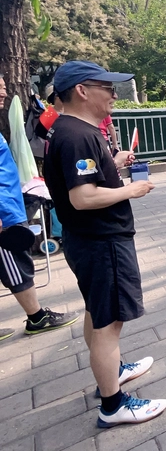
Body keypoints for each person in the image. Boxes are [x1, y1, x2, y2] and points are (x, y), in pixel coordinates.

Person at [42, 60, 166, 428]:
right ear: (82, 90)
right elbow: (82, 198)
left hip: (88, 241)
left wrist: (112, 162)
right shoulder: (78, 134)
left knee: (98, 314)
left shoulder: (72, 131)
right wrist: (132, 188)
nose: (114, 94)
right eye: (107, 87)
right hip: (102, 243)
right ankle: (113, 405)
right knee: (108, 324)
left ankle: (110, 373)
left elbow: (82, 180)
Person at [0, 74, 80, 342]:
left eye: (3, 87)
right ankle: (37, 318)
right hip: (4, 216)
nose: (3, 92)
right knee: (15, 266)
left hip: (10, 206)